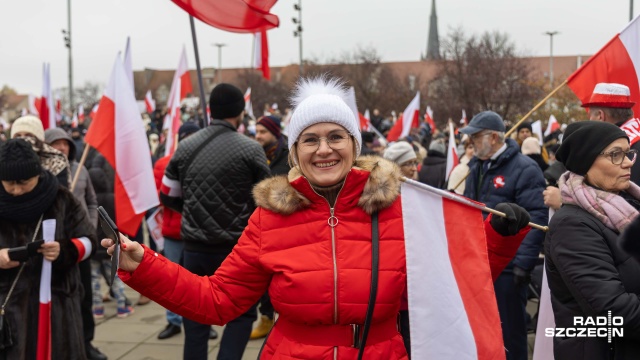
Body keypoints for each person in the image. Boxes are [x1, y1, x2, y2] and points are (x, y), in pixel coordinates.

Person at [104, 77, 531, 359]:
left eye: (334, 137)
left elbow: (453, 283)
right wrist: (143, 266)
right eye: (310, 139)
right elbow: (217, 301)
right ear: (295, 153)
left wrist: (500, 236)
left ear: (354, 144)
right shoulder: (268, 220)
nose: (323, 149)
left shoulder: (399, 208)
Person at [159, 83, 270, 360]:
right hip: (238, 248)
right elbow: (268, 200)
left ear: (211, 110)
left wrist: (193, 211)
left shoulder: (185, 147)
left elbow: (167, 194)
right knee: (242, 314)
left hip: (195, 246)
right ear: (240, 112)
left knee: (195, 315)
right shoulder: (251, 149)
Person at [545, 121, 640, 359]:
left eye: (627, 153)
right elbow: (614, 312)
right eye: (615, 154)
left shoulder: (629, 205)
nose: (628, 161)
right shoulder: (572, 225)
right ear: (585, 161)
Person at [461, 111, 548, 360]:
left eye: (476, 137)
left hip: (510, 266)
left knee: (509, 331)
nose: (472, 143)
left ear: (495, 137)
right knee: (482, 328)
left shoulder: (525, 169)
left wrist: (522, 262)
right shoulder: (476, 166)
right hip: (480, 260)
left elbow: (536, 217)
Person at [0, 139, 97, 359]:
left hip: (57, 306)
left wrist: (66, 250)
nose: (16, 190)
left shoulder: (61, 198)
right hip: (9, 308)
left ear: (37, 174)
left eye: (23, 182)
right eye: (8, 183)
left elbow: (90, 240)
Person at [152, 122, 201, 340]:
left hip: (198, 232)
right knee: (171, 280)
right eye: (186, 137)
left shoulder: (207, 161)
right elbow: (157, 195)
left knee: (198, 281)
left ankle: (201, 323)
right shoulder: (163, 164)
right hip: (173, 232)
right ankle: (173, 321)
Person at [249, 115, 291, 340]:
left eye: (262, 132)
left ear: (275, 133)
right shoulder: (255, 155)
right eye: (256, 131)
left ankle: (278, 317)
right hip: (261, 223)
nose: (258, 136)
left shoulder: (288, 157)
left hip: (286, 225)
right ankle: (266, 318)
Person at [11, 115, 70, 188]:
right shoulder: (6, 162)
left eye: (28, 135)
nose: (23, 139)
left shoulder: (56, 161)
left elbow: (61, 194)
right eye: (17, 136)